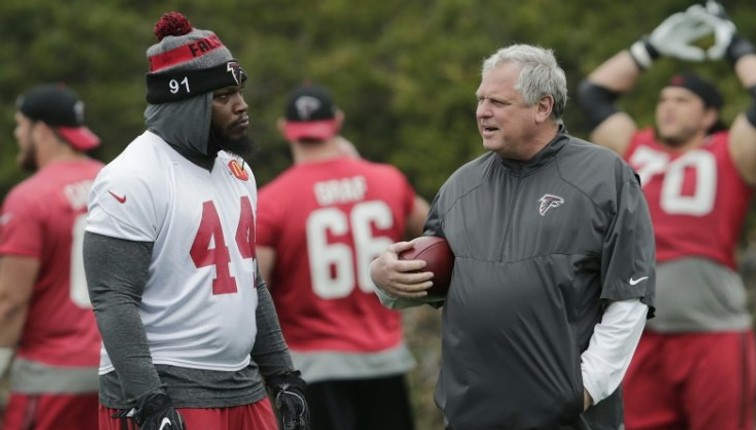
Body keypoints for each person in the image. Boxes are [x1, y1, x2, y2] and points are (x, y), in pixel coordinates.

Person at [369, 43, 656, 430]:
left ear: (542, 107)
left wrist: (583, 390)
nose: (482, 111)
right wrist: (384, 278)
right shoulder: (460, 186)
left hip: (569, 419)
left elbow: (629, 298)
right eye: (480, 99)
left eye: (498, 102)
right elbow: (425, 278)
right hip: (472, 416)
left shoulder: (606, 177)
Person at [82, 12, 309, 430]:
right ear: (184, 103)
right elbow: (113, 298)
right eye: (222, 95)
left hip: (242, 384)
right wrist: (149, 400)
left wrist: (283, 375)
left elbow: (249, 281)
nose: (241, 106)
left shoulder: (236, 170)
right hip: (168, 388)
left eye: (239, 91)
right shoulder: (132, 176)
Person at [576, 2, 756, 430]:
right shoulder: (635, 147)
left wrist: (731, 43)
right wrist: (650, 47)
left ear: (708, 114)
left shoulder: (731, 153)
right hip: (640, 336)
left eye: (682, 100)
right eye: (663, 99)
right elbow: (593, 92)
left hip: (713, 333)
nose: (668, 107)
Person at [255, 83, 430, 430]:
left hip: (313, 366)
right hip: (385, 360)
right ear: (337, 121)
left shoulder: (271, 201)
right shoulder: (388, 180)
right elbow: (436, 236)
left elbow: (254, 291)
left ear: (284, 128)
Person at [0, 84, 103, 430]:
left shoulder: (29, 199)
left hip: (51, 378)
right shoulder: (116, 182)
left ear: (41, 130)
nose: (17, 133)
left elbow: (10, 299)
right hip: (118, 374)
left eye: (20, 125)